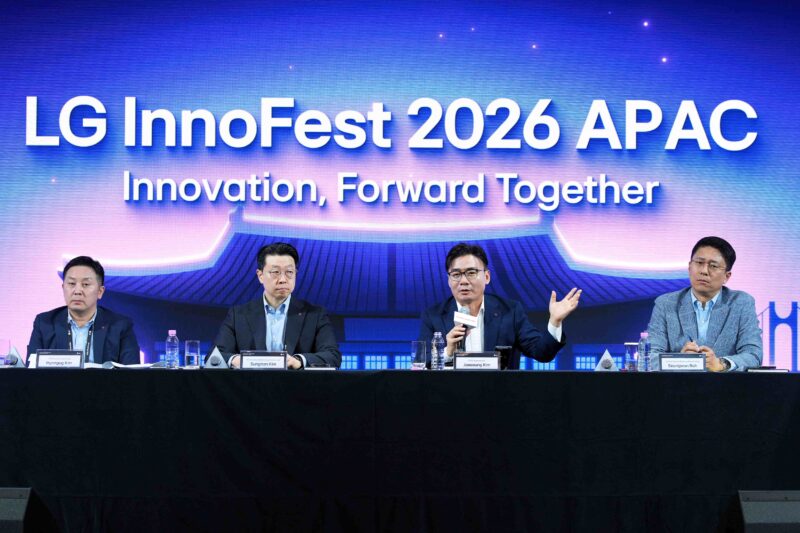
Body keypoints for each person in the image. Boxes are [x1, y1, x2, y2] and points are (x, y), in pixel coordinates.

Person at [419, 242, 582, 369]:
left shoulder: (510, 311)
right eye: (456, 274)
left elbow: (542, 353)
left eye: (471, 273)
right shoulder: (433, 316)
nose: (463, 281)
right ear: (449, 280)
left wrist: (555, 322)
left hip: (499, 397)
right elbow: (421, 364)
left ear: (487, 277)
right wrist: (447, 351)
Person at [212, 242, 341, 369]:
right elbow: (214, 357)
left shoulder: (315, 315)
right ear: (260, 276)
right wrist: (237, 360)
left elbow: (332, 356)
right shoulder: (238, 315)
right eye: (275, 272)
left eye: (289, 272)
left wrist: (299, 361)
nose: (283, 280)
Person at [647, 236, 762, 372]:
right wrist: (680, 361)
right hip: (678, 383)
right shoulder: (666, 304)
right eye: (699, 263)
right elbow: (649, 357)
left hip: (725, 384)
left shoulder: (741, 303)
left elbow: (753, 355)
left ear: (727, 276)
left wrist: (721, 364)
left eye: (713, 266)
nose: (704, 271)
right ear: (689, 267)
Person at [27, 256, 141, 364]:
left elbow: (131, 373)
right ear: (63, 288)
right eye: (71, 283)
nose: (77, 291)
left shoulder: (120, 326)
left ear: (100, 292)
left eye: (85, 284)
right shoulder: (44, 323)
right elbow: (31, 370)